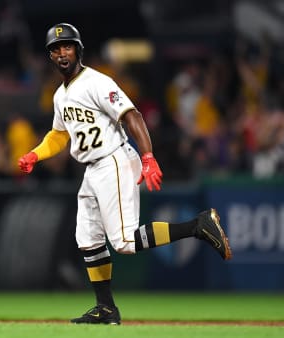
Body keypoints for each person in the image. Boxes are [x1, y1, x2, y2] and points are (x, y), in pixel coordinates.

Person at [18, 23, 232, 325]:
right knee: (88, 239)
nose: (61, 52)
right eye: (55, 49)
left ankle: (199, 225)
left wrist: (148, 156)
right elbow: (59, 135)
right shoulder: (60, 95)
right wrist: (34, 154)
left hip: (113, 159)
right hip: (91, 169)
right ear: (50, 57)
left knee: (124, 243)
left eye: (67, 46)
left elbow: (132, 115)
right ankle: (106, 308)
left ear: (78, 50)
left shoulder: (96, 82)